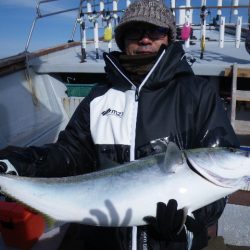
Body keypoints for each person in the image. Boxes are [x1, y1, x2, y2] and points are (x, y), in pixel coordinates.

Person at [0, 0, 239, 249]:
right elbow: (69, 154)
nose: (145, 39)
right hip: (104, 237)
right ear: (123, 40)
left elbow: (219, 180)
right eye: (136, 31)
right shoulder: (99, 96)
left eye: (155, 31)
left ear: (168, 38)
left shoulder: (197, 94)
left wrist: (186, 223)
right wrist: (19, 164)